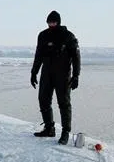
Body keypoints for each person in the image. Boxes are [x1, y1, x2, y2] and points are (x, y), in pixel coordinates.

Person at [30, 10, 81, 145]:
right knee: (43, 99)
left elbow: (76, 57)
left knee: (63, 103)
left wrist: (76, 75)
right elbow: (38, 55)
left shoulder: (68, 36)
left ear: (58, 22)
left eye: (53, 22)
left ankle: (65, 132)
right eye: (49, 22)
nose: (51, 24)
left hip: (63, 75)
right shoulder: (43, 35)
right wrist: (34, 72)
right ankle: (49, 128)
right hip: (46, 73)